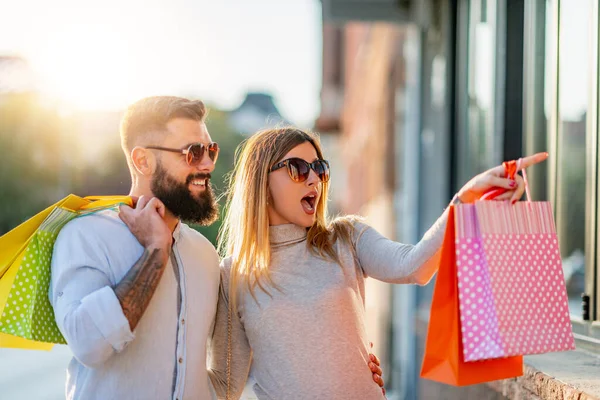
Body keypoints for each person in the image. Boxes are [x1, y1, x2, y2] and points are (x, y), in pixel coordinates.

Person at [50, 96, 384, 400]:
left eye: (211, 151)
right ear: (142, 160)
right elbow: (88, 344)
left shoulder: (205, 257)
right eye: (192, 153)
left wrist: (344, 372)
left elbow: (229, 374)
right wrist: (155, 252)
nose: (207, 165)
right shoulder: (84, 235)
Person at [205, 127, 547, 399]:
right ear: (261, 182)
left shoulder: (345, 238)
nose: (313, 179)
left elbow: (414, 266)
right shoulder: (233, 276)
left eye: (320, 169)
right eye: (298, 168)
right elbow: (225, 385)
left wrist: (466, 198)